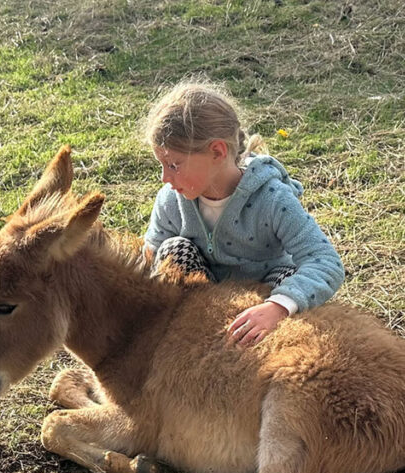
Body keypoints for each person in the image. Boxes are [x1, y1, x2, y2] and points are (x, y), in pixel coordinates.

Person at [142, 81, 344, 347]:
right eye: (162, 165)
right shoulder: (171, 199)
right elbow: (148, 259)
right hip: (202, 302)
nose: (164, 177)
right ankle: (193, 348)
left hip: (263, 301)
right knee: (172, 250)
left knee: (289, 277)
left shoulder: (273, 199)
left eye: (174, 165)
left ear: (217, 151)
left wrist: (278, 306)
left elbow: (326, 261)